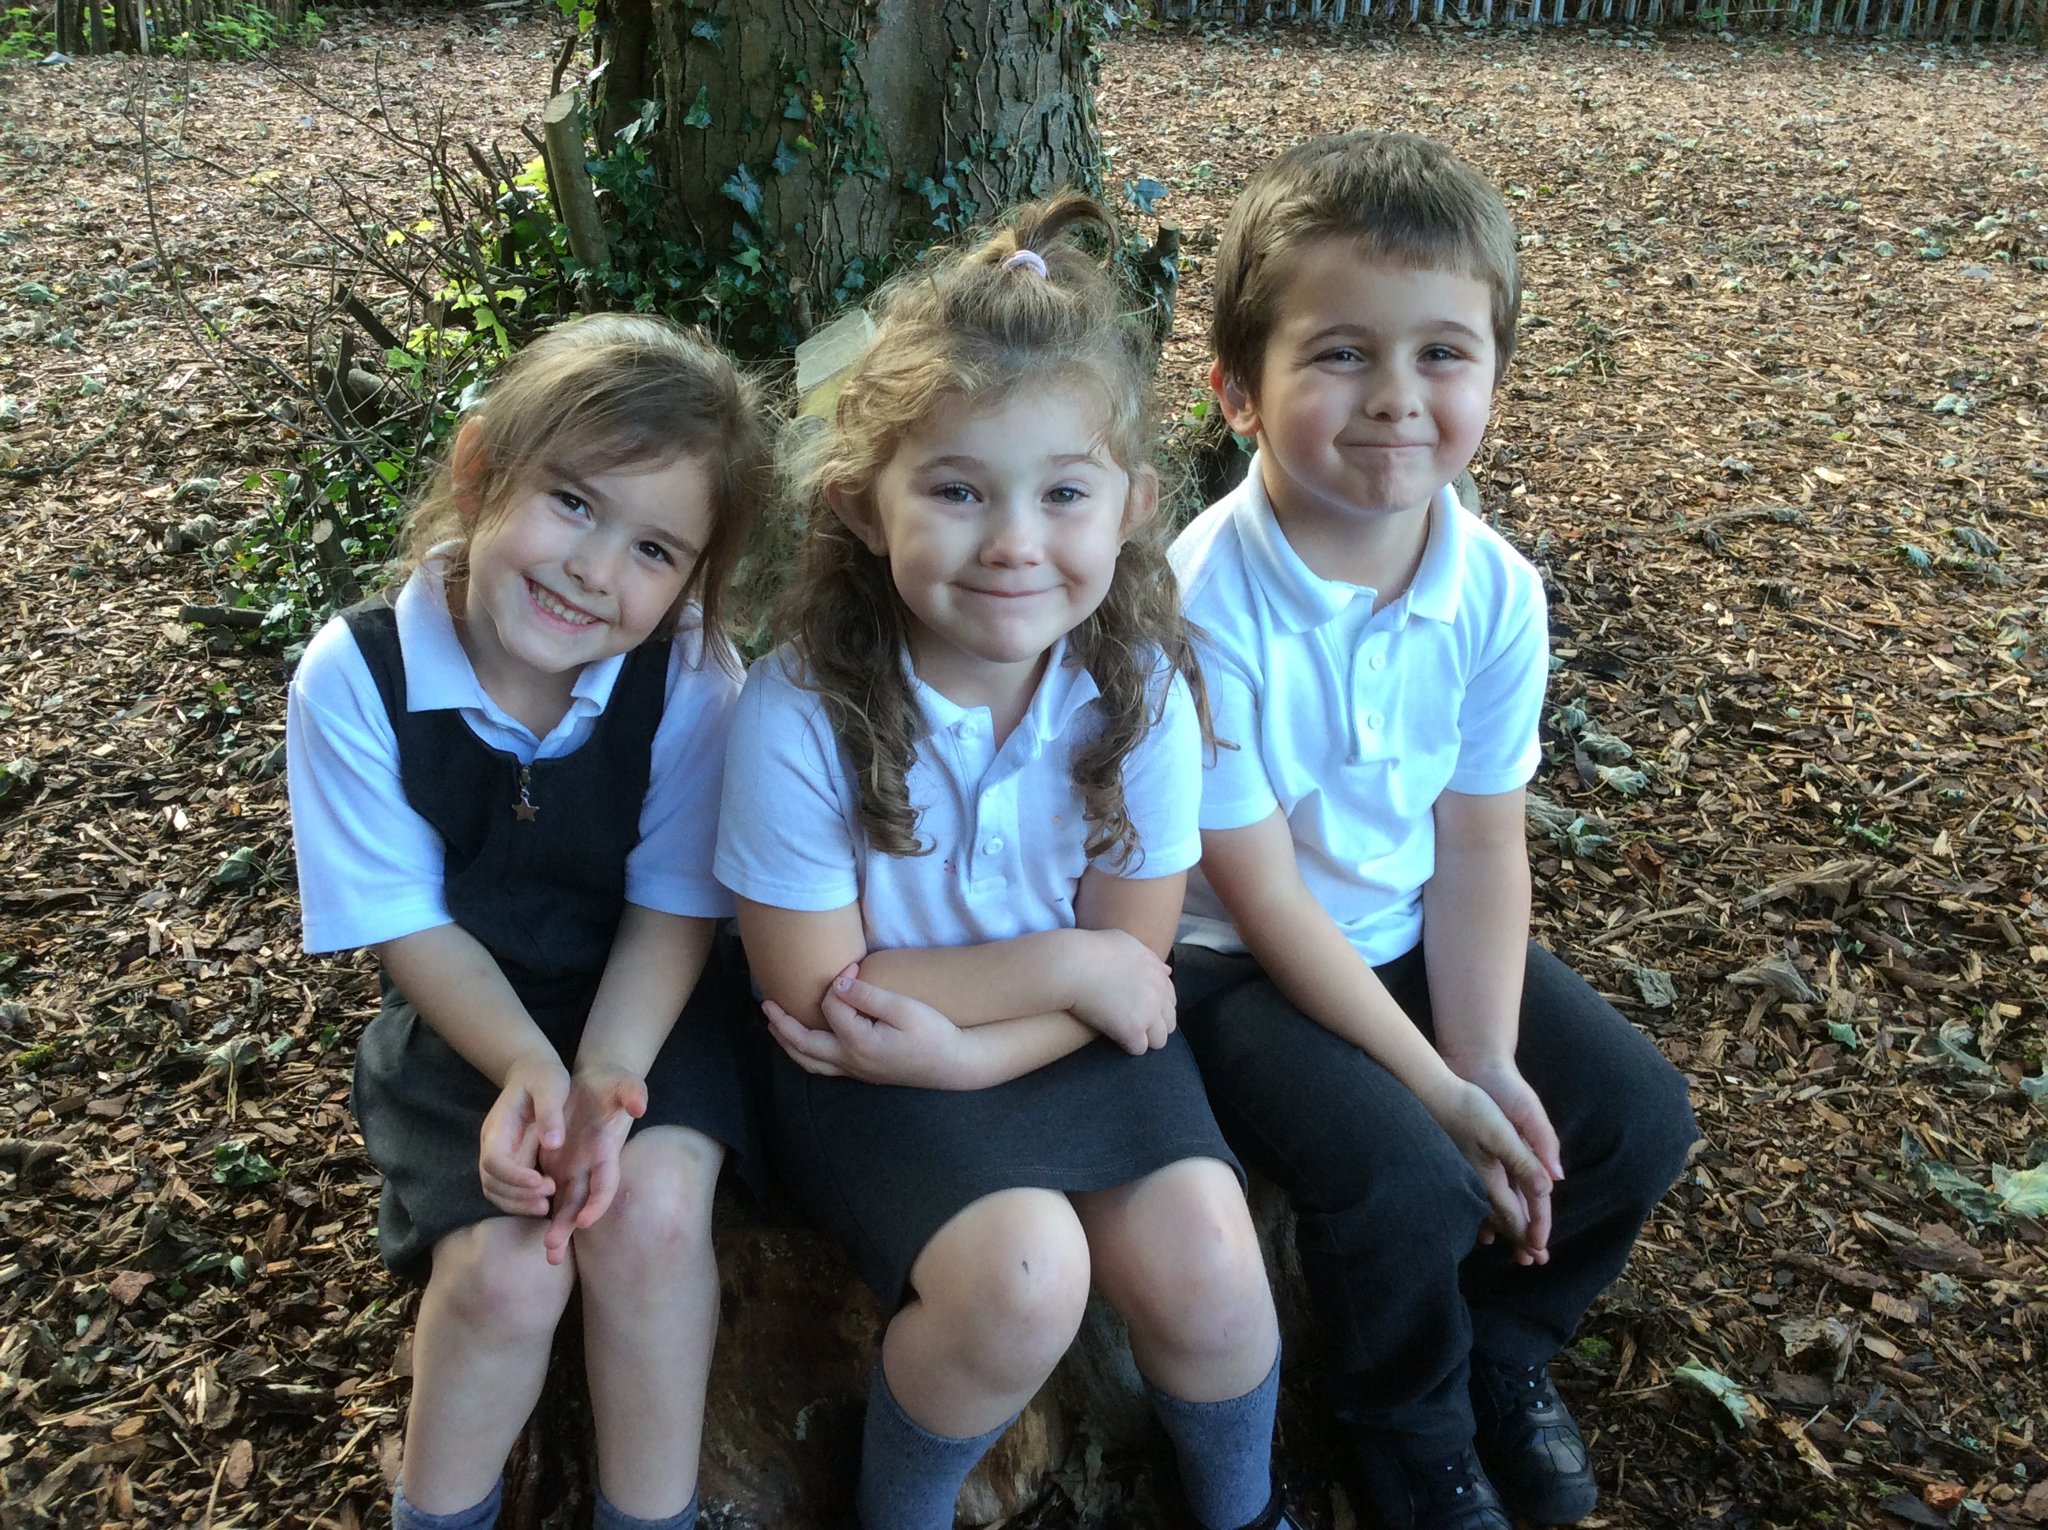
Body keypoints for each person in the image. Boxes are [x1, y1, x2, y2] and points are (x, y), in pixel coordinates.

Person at [715, 195, 1298, 1530]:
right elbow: (826, 999)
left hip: (1032, 1040)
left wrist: (983, 1039)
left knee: (1213, 1262)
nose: (1016, 540)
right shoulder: (797, 712)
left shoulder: (1140, 688)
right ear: (864, 505)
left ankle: (1245, 1510)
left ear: (1136, 506)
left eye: (1064, 492)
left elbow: (1135, 966)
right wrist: (1067, 965)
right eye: (959, 489)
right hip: (854, 1073)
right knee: (1025, 1272)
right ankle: (901, 1511)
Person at [1169, 131, 1698, 1530]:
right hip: (1226, 965)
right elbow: (1264, 892)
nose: (1397, 399)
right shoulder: (1199, 604)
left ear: (1496, 384)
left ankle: (1502, 1351)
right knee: (1404, 1171)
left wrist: (1483, 1054)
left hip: (1398, 929)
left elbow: (1477, 844)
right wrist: (1444, 1093)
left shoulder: (1494, 590)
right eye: (1341, 353)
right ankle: (1402, 1421)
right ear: (1238, 389)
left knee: (1635, 1117)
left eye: (1443, 355)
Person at [286, 314, 772, 1530]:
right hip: (466, 1024)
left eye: (655, 548)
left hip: (651, 1014)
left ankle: (647, 1516)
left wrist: (600, 1078)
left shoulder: (695, 677)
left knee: (647, 1221)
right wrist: (522, 1070)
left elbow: (674, 906)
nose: (594, 569)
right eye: (571, 502)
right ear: (477, 472)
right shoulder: (359, 677)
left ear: (694, 577)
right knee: (508, 1273)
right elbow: (407, 921)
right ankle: (437, 1514)